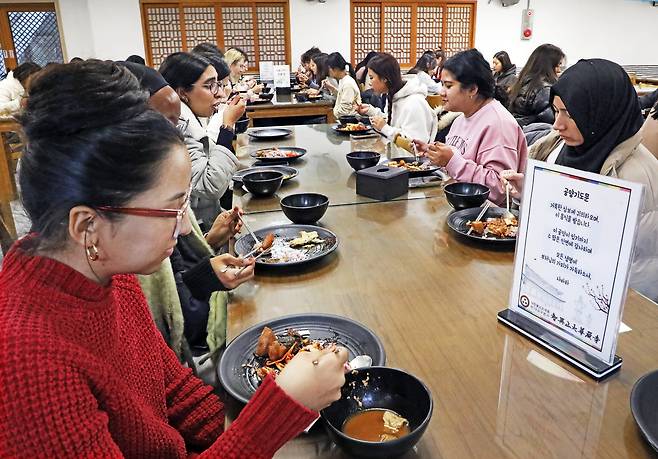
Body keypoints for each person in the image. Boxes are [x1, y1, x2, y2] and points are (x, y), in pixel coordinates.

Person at [0, 59, 348, 457]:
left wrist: (254, 416)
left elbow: (174, 391)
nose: (184, 228)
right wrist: (275, 415)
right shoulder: (25, 363)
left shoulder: (108, 272)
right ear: (87, 225)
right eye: (172, 209)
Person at [502, 59, 658, 301]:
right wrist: (531, 192)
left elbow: (641, 270)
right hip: (556, 291)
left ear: (601, 112)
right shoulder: (560, 150)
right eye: (556, 111)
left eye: (570, 114)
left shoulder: (638, 176)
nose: (557, 124)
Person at [415, 48, 527, 206]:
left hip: (483, 219)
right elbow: (456, 160)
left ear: (473, 89)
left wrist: (451, 161)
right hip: (458, 207)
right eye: (441, 85)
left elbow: (500, 189)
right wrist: (432, 153)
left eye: (448, 86)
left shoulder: (499, 124)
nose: (441, 92)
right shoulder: (461, 117)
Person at [159, 52, 246, 227]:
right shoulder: (179, 125)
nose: (221, 94)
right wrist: (227, 125)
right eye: (210, 86)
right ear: (183, 92)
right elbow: (210, 185)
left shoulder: (190, 115)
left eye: (219, 85)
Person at [356, 53, 437, 147]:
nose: (369, 83)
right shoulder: (392, 96)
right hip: (395, 157)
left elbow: (416, 145)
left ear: (384, 79)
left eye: (371, 78)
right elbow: (391, 122)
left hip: (412, 160)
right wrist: (371, 111)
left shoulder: (414, 102)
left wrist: (385, 128)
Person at [508, 44, 565, 127]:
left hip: (519, 132)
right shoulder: (545, 89)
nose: (559, 70)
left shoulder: (523, 82)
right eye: (558, 65)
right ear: (549, 65)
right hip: (535, 135)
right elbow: (551, 120)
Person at [325, 52, 361, 118]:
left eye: (329, 69)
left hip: (349, 121)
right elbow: (341, 95)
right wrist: (331, 88)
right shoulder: (342, 79)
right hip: (343, 118)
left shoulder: (347, 84)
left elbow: (344, 111)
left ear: (335, 69)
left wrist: (331, 113)